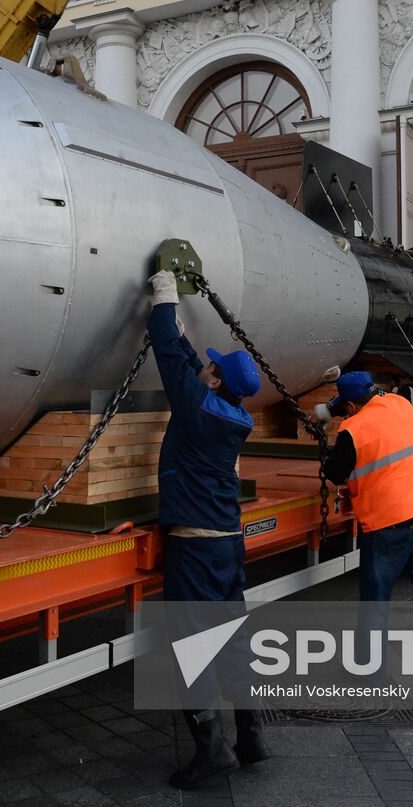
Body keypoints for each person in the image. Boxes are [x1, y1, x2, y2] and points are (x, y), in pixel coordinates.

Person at [146, 269, 270, 789]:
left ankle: (212, 752)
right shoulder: (234, 416)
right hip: (226, 543)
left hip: (195, 547)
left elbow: (170, 357)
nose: (206, 367)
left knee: (193, 647)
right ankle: (251, 737)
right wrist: (192, 346)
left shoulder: (197, 407)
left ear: (216, 382)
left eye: (213, 367)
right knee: (233, 640)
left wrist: (164, 300)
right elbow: (192, 367)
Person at [313, 371, 413, 680]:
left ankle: (370, 674)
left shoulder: (352, 429)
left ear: (350, 406)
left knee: (376, 599)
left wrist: (326, 431)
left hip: (390, 524)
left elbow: (337, 472)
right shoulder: (400, 404)